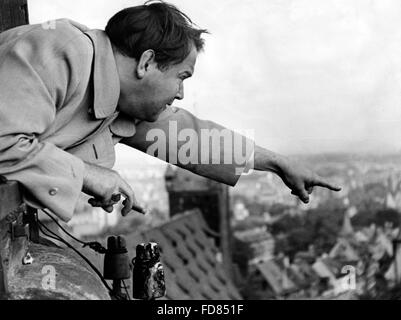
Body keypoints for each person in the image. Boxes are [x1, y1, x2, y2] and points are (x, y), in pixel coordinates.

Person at [0, 1, 340, 222]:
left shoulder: (118, 100)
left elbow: (190, 137)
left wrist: (278, 163)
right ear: (147, 62)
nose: (180, 94)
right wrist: (88, 174)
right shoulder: (62, 50)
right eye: (182, 77)